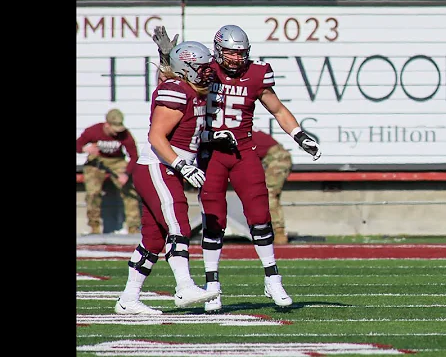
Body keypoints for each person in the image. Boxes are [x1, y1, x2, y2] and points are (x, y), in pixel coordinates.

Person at [153, 25, 322, 312]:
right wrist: (167, 61)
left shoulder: (256, 74)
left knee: (259, 212)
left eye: (241, 53)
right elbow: (173, 85)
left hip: (243, 150)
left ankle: (273, 278)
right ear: (218, 50)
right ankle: (213, 286)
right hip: (210, 153)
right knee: (213, 218)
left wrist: (299, 134)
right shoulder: (206, 70)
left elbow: (277, 109)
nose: (236, 58)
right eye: (230, 52)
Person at [114, 41, 223, 314]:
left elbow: (189, 134)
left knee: (153, 240)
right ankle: (184, 287)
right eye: (201, 68)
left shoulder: (191, 90)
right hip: (158, 166)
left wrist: (212, 137)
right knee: (178, 222)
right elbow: (156, 136)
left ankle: (128, 299)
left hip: (167, 167)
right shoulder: (176, 90)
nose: (207, 73)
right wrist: (181, 165)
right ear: (186, 69)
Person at [76, 109, 141, 234]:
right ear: (107, 124)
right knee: (92, 193)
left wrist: (126, 174)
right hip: (96, 162)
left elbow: (134, 156)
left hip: (117, 161)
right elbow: (77, 145)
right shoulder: (93, 131)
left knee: (129, 191)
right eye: (114, 129)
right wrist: (85, 149)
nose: (117, 133)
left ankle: (133, 227)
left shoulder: (125, 135)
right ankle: (94, 227)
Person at [253, 128, 293, 245]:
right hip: (273, 157)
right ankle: (273, 230)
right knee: (267, 194)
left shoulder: (238, 132)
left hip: (277, 158)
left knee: (269, 195)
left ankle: (279, 232)